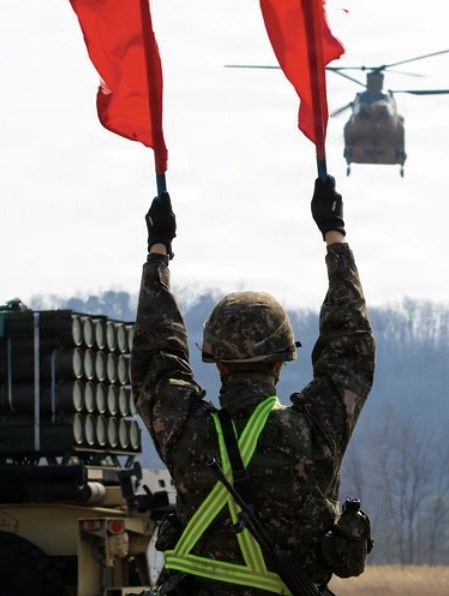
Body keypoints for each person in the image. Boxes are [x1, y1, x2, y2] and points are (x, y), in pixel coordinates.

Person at [131, 177, 375, 595]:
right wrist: (335, 237)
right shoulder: (315, 433)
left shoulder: (187, 434)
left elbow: (157, 356)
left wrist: (159, 252)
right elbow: (349, 349)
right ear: (282, 360)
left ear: (217, 364)